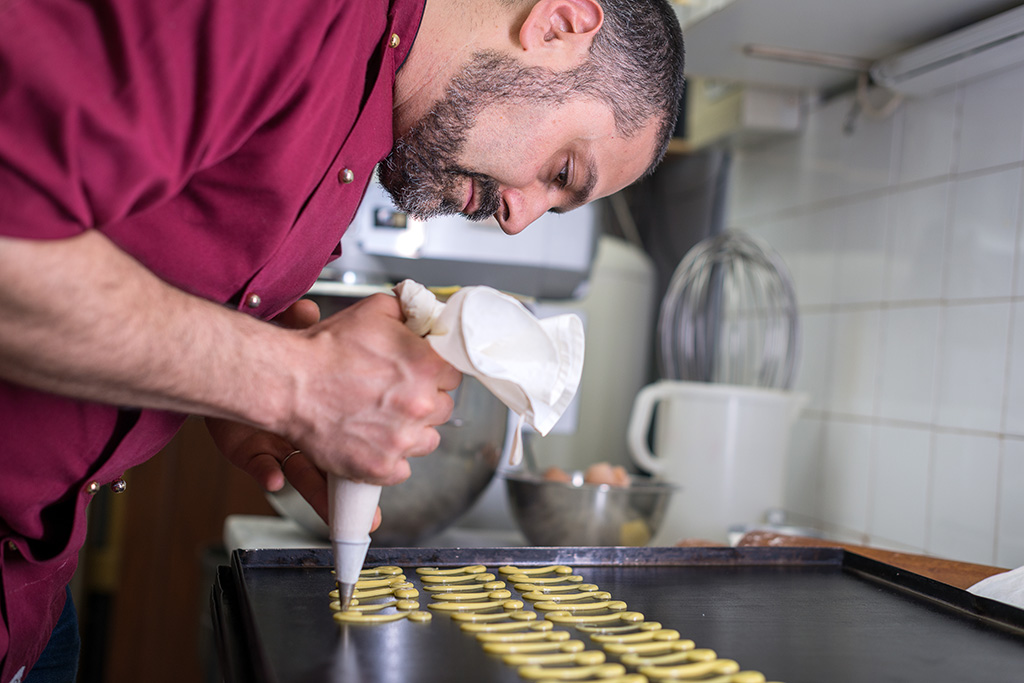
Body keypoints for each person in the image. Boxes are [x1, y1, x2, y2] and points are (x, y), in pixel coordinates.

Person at [0, 0, 685, 679]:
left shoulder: (369, 113)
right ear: (558, 25)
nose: (518, 218)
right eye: (562, 172)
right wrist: (290, 380)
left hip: (32, 595)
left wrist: (238, 377)